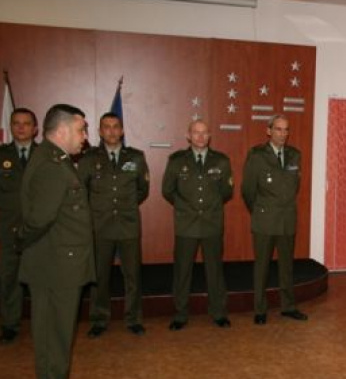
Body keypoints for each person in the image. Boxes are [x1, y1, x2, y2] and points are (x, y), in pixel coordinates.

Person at [19, 103, 95, 379]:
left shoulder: (57, 159)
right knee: (53, 339)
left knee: (60, 336)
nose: (85, 136)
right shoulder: (51, 166)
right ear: (62, 131)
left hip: (62, 264)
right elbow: (38, 220)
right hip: (54, 267)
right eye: (81, 129)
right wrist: (25, 246)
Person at [79, 113, 150, 338]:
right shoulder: (89, 158)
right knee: (100, 276)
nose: (111, 131)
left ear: (122, 131)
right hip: (100, 226)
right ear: (100, 132)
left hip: (128, 224)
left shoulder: (136, 157)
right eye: (106, 127)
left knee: (132, 275)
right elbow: (82, 191)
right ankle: (99, 319)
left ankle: (133, 319)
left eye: (115, 126)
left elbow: (142, 190)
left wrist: (124, 206)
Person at [162, 120, 233, 330]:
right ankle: (180, 314)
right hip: (186, 224)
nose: (200, 137)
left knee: (215, 270)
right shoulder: (176, 160)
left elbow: (226, 191)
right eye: (196, 132)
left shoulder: (221, 161)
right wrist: (185, 208)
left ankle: (218, 312)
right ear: (188, 136)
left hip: (212, 223)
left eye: (204, 133)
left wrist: (209, 207)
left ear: (209, 136)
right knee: (182, 271)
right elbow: (167, 190)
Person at [242, 114, 308, 324]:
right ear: (269, 131)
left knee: (286, 266)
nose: (282, 134)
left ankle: (288, 306)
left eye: (286, 129)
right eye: (278, 129)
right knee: (262, 267)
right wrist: (260, 210)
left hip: (287, 218)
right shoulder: (257, 155)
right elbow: (248, 190)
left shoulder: (294, 155)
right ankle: (260, 309)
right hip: (265, 219)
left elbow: (294, 186)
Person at [0, 108, 38, 344]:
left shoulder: (45, 155)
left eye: (26, 123)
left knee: (42, 280)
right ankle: (10, 325)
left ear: (35, 129)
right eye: (16, 123)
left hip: (40, 231)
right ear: (10, 127)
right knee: (9, 279)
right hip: (10, 229)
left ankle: (43, 325)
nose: (21, 127)